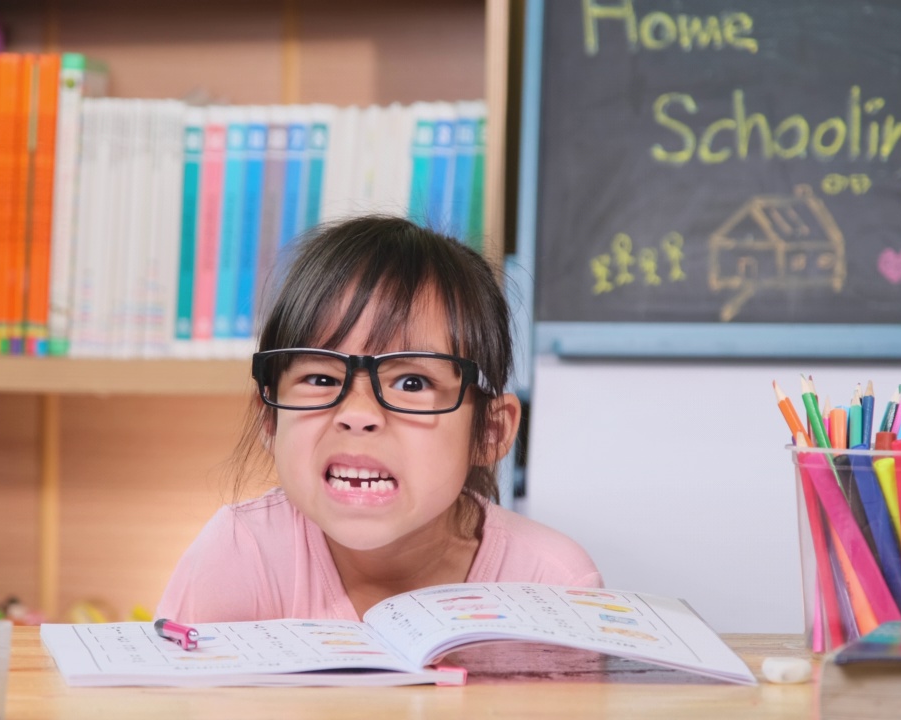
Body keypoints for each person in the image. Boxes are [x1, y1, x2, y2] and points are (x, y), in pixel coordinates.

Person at [157, 216, 601, 623]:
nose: (358, 414)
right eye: (319, 376)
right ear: (270, 419)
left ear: (490, 430)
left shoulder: (554, 587)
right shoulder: (239, 557)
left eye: (411, 382)